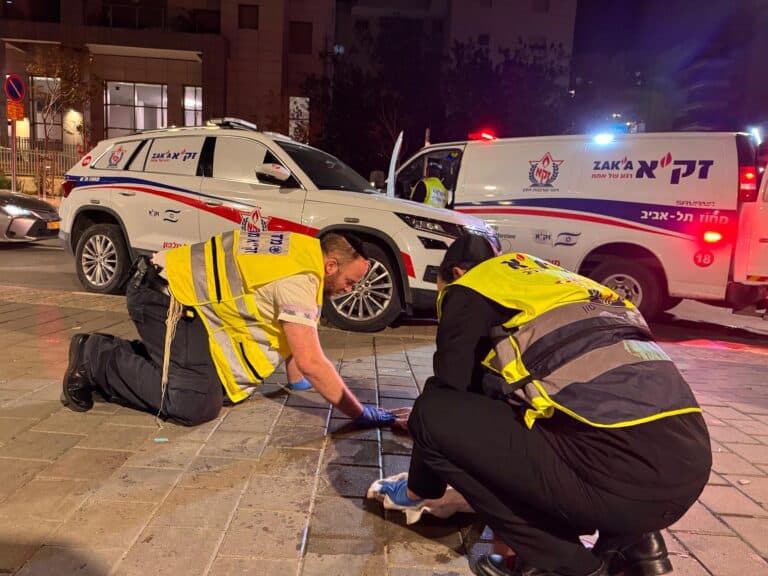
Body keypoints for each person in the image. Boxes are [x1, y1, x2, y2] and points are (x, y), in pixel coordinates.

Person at [376, 234, 711, 576]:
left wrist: (418, 488)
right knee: (574, 415)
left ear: (457, 274)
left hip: (617, 481)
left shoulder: (472, 286)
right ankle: (639, 548)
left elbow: (447, 396)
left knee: (431, 414)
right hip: (688, 469)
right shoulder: (558, 282)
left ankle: (567, 565)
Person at [61, 229, 401, 429]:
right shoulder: (300, 279)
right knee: (194, 403)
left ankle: (143, 359)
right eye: (350, 281)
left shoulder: (300, 253)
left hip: (175, 295)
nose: (349, 290)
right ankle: (96, 357)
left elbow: (295, 340)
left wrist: (299, 382)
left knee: (215, 387)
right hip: (163, 298)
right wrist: (360, 413)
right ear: (331, 265)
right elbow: (311, 361)